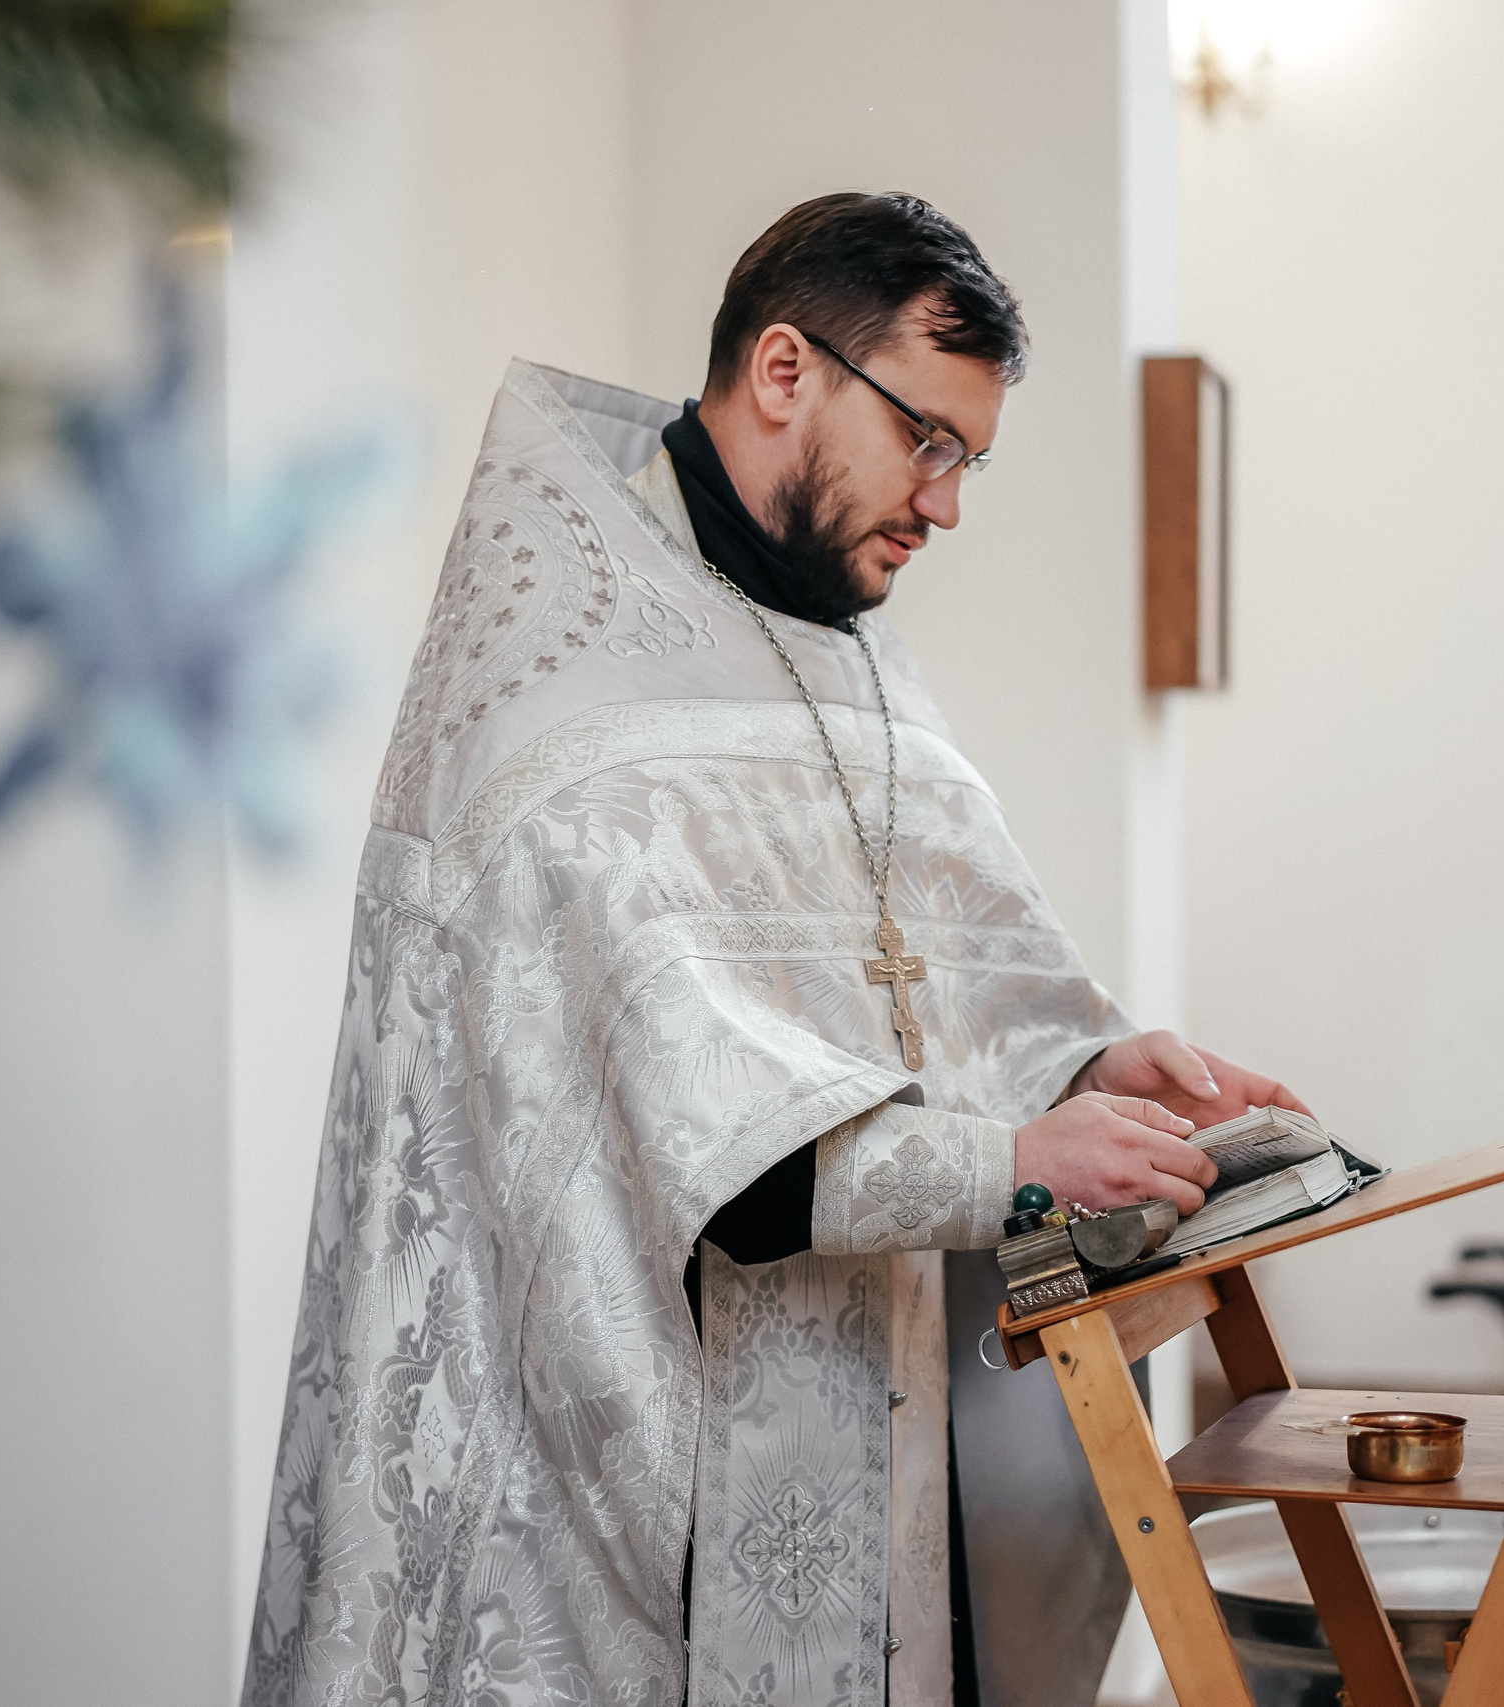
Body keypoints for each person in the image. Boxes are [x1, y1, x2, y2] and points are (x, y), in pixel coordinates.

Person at [243, 192, 1310, 1707]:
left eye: (968, 459)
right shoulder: (565, 696)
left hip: (889, 1420)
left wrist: (1083, 1065)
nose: (945, 504)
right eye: (926, 439)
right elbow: (712, 1153)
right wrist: (1019, 1159)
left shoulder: (841, 643)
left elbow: (921, 972)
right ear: (786, 370)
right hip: (621, 1491)